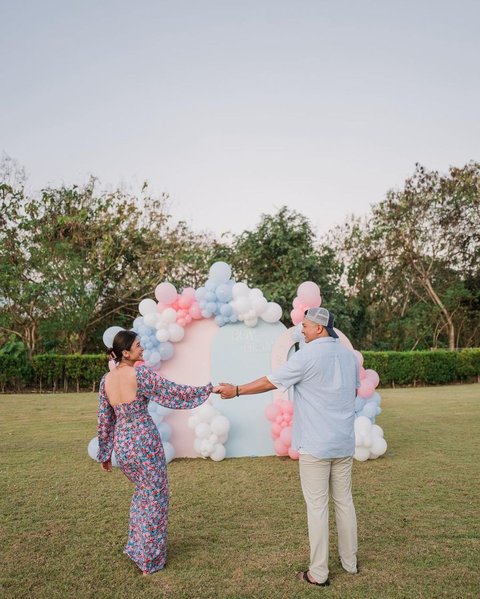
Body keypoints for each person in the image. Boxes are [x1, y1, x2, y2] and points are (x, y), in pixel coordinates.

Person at [214, 307, 359, 587]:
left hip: (316, 445)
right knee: (345, 503)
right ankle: (350, 563)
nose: (301, 330)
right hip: (343, 442)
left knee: (317, 508)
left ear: (319, 328)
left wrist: (237, 390)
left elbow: (271, 381)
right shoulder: (347, 356)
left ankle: (318, 573)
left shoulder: (307, 355)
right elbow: (351, 392)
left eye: (304, 326)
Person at [97, 329, 213, 575]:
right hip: (144, 443)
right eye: (138, 346)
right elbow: (173, 392)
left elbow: (105, 419)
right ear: (125, 353)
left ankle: (137, 548)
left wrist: (105, 453)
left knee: (143, 496)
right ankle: (148, 560)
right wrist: (206, 390)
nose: (142, 348)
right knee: (155, 500)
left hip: (124, 445)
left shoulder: (105, 380)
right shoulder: (140, 374)